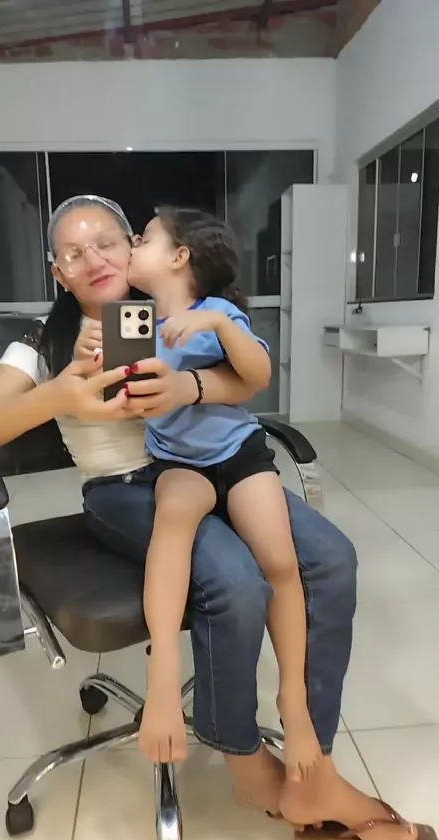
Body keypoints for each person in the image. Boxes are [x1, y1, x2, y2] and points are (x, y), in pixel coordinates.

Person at [0, 194, 434, 840]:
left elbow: (242, 381)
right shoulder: (43, 341)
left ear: (134, 246)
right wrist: (59, 393)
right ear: (57, 273)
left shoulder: (170, 311)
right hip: (127, 488)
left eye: (107, 242)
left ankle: (315, 767)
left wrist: (192, 387)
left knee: (330, 557)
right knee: (233, 579)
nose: (93, 259)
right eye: (73, 252)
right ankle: (244, 762)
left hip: (213, 466)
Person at [126, 207, 321, 780]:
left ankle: (293, 698)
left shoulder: (218, 311)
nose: (133, 243)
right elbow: (124, 397)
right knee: (173, 518)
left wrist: (217, 325)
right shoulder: (132, 321)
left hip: (238, 453)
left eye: (144, 237)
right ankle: (163, 678)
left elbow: (257, 375)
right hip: (178, 461)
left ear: (180, 256)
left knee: (280, 563)